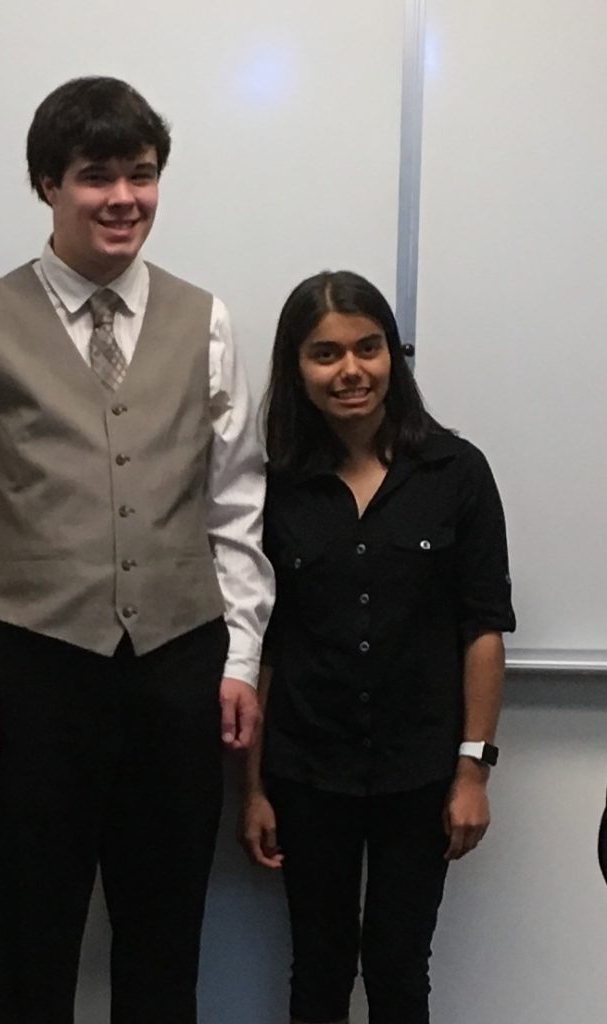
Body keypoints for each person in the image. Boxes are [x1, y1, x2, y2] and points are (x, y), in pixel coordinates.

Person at [0, 76, 274, 1024]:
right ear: (47, 185)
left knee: (164, 943)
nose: (123, 198)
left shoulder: (209, 321)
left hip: (179, 663)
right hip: (34, 668)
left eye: (141, 176)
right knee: (27, 943)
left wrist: (238, 658)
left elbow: (235, 504)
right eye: (95, 176)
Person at [239, 270, 516, 1024]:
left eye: (369, 348)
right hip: (306, 769)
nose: (351, 371)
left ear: (395, 354)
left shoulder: (456, 473)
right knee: (317, 970)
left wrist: (472, 772)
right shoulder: (273, 485)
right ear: (296, 368)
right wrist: (256, 788)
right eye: (326, 354)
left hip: (419, 774)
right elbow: (264, 643)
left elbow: (483, 630)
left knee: (399, 969)